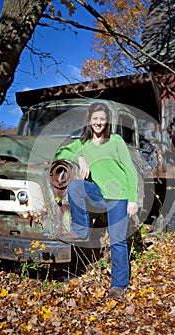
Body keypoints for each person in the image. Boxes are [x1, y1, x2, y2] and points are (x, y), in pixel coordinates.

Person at [55, 102, 138, 299]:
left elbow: (130, 170)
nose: (98, 123)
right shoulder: (83, 143)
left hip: (118, 197)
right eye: (95, 119)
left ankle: (119, 285)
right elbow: (60, 153)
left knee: (117, 241)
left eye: (102, 119)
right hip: (98, 194)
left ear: (106, 121)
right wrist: (80, 157)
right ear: (89, 121)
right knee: (75, 186)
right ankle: (80, 229)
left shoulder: (116, 141)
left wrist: (132, 200)